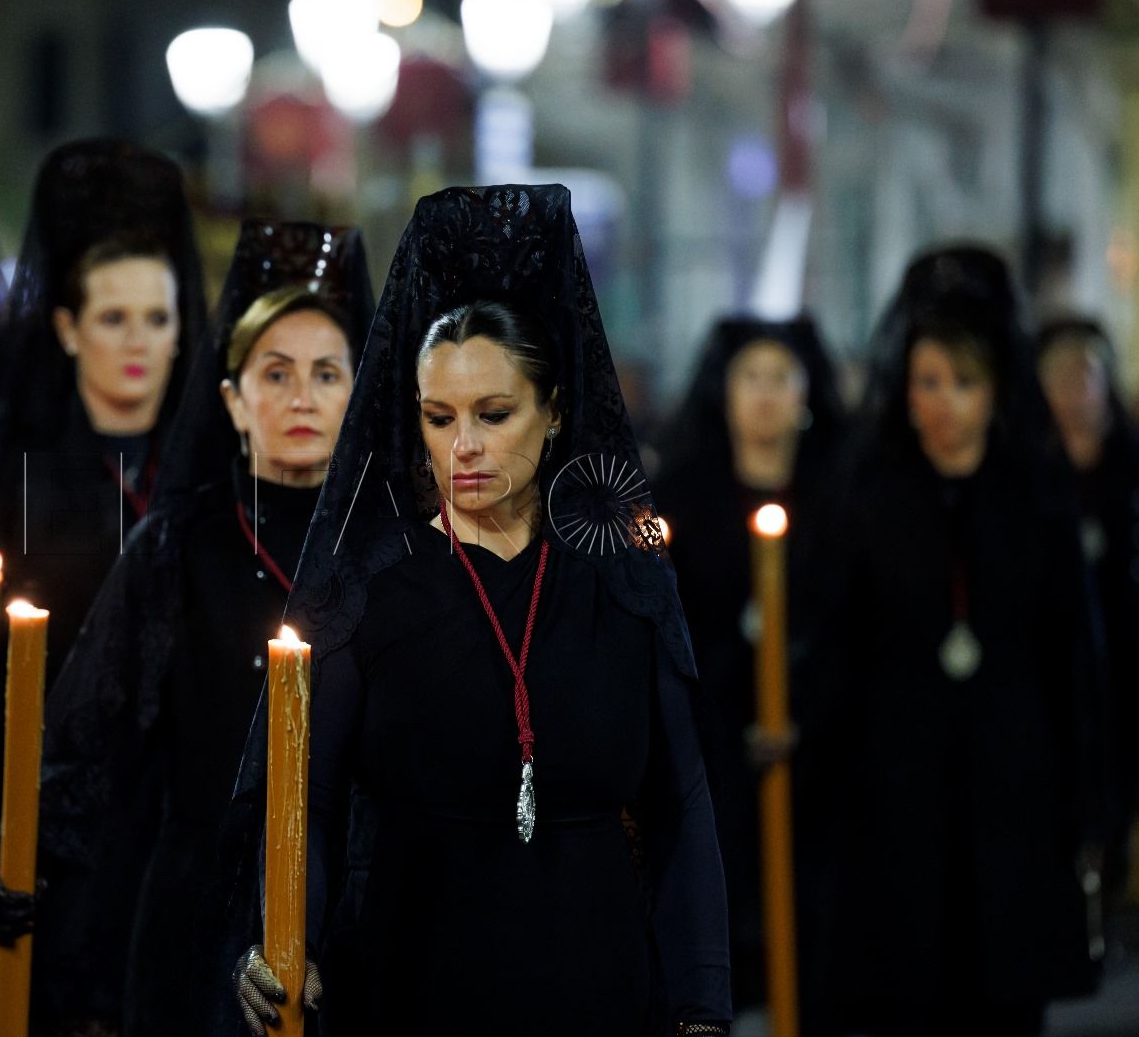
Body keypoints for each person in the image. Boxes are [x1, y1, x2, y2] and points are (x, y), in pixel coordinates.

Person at [224, 186, 731, 1035]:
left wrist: (704, 1006)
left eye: (495, 415)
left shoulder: (622, 578)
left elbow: (682, 802)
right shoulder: (371, 590)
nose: (464, 446)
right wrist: (284, 944)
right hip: (417, 984)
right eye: (438, 417)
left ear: (556, 411)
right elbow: (304, 801)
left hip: (598, 984)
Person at [0, 220, 373, 1035]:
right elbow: (90, 724)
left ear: (359, 396)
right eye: (276, 372)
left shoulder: (389, 550)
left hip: (354, 910)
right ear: (231, 402)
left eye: (328, 374)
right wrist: (22, 853)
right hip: (193, 910)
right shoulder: (176, 543)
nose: (303, 396)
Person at [0, 140, 206, 1021]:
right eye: (112, 318)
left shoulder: (210, 466)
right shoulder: (13, 466)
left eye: (156, 320)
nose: (137, 344)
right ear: (68, 326)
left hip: (177, 819)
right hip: (49, 815)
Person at [809, 246, 1107, 1034]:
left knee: (1002, 1004)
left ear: (997, 391)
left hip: (1014, 795)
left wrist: (1088, 804)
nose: (943, 405)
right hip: (897, 798)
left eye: (963, 384)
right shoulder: (868, 500)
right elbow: (839, 644)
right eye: (927, 383)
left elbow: (1073, 656)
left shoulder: (1035, 502)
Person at [653, 313, 844, 1016]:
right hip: (715, 743)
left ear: (806, 393)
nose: (766, 395)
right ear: (725, 392)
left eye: (781, 378)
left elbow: (853, 623)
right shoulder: (682, 493)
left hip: (820, 752)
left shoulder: (840, 493)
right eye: (751, 378)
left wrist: (804, 713)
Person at [1036, 315, 1139, 908]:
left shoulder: (1127, 463)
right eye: (1062, 379)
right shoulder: (1035, 475)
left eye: (1086, 377)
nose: (1076, 393)